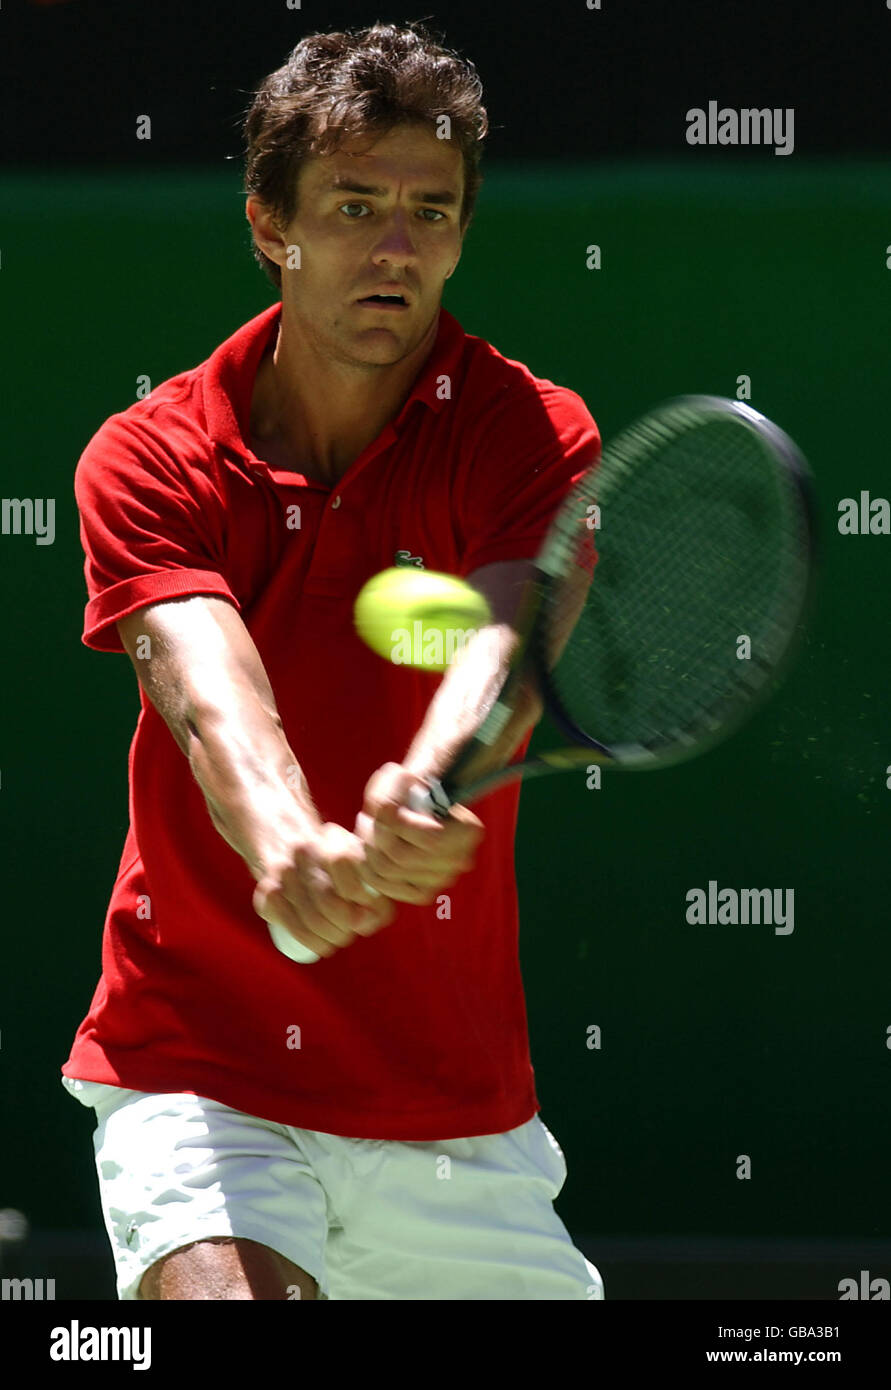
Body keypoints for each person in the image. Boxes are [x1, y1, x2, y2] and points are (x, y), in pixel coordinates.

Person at [61, 20, 605, 1302]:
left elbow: (508, 645)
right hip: (200, 1073)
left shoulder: (535, 435)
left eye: (431, 210)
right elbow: (203, 691)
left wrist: (426, 781)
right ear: (270, 227)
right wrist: (290, 847)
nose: (398, 247)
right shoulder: (148, 456)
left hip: (456, 1116)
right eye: (356, 205)